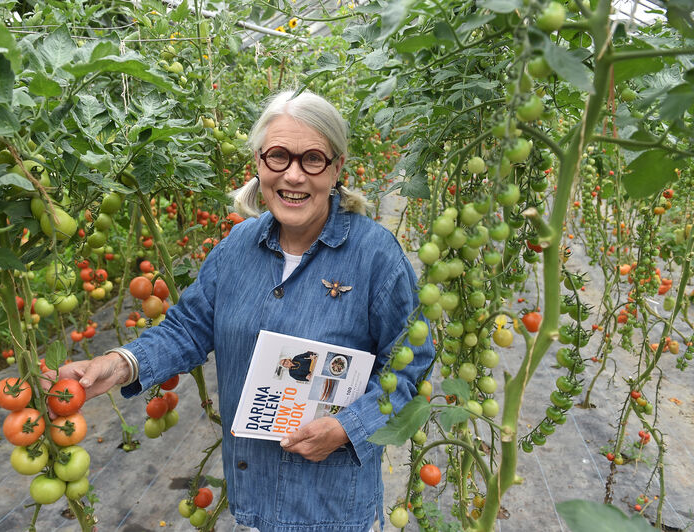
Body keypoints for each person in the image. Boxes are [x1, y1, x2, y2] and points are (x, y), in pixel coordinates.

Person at [51, 90, 434, 531]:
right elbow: (189, 327)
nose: (293, 176)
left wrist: (349, 427)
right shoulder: (237, 247)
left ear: (337, 169)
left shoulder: (374, 256)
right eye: (278, 157)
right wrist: (120, 365)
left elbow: (412, 363)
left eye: (312, 159)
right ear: (258, 163)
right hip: (251, 501)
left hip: (330, 509)